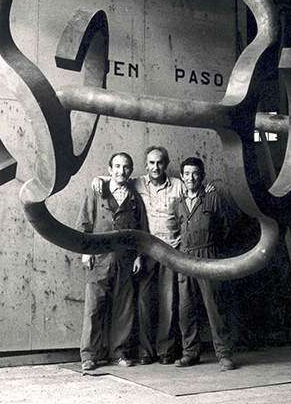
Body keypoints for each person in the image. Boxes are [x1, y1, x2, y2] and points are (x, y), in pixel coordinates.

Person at [92, 146, 216, 365]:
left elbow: (196, 192)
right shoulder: (137, 183)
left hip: (171, 251)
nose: (155, 167)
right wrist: (99, 178)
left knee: (168, 303)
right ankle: (145, 352)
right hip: (146, 252)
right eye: (151, 163)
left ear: (166, 164)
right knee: (143, 302)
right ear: (146, 165)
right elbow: (116, 179)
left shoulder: (178, 184)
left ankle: (165, 351)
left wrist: (209, 188)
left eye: (159, 163)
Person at [76, 152, 148, 372]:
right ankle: (89, 355)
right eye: (116, 166)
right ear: (109, 170)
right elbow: (85, 223)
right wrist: (85, 251)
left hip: (125, 260)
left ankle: (119, 353)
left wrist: (138, 256)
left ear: (131, 170)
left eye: (126, 167)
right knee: (94, 308)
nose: (121, 171)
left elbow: (142, 230)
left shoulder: (135, 198)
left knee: (123, 309)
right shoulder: (97, 191)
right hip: (99, 259)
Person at [172, 157, 236, 372]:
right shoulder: (178, 202)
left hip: (208, 255)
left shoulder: (212, 198)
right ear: (182, 176)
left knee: (214, 308)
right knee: (185, 309)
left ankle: (224, 354)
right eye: (187, 174)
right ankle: (190, 353)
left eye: (196, 173)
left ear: (202, 176)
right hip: (184, 259)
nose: (191, 178)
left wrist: (214, 251)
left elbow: (227, 228)